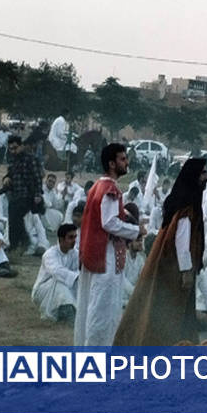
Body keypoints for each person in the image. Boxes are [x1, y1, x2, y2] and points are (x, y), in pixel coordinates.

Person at [114, 159, 207, 346]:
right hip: (174, 270)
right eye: (203, 173)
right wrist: (187, 271)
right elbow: (182, 242)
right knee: (169, 313)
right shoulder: (187, 209)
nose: (206, 177)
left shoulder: (184, 204)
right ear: (194, 177)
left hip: (171, 268)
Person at [76, 144, 145, 345]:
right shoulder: (109, 189)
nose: (127, 162)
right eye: (123, 159)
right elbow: (109, 222)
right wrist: (136, 230)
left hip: (98, 254)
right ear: (111, 163)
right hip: (104, 256)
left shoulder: (98, 186)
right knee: (102, 314)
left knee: (96, 309)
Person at [3, 134, 44, 253]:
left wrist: (37, 195)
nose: (13, 151)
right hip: (15, 195)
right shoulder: (12, 160)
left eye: (15, 148)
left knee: (16, 214)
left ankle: (22, 241)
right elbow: (9, 175)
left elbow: (37, 178)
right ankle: (15, 244)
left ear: (21, 146)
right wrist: (5, 178)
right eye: (11, 149)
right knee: (13, 218)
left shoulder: (31, 159)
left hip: (28, 195)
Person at [32, 224, 79, 321]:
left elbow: (81, 271)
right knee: (60, 281)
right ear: (61, 239)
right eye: (70, 237)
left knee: (78, 282)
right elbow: (57, 271)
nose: (74, 240)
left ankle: (69, 308)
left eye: (75, 237)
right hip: (42, 291)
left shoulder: (75, 253)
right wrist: (77, 277)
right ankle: (68, 312)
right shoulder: (50, 254)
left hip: (65, 289)